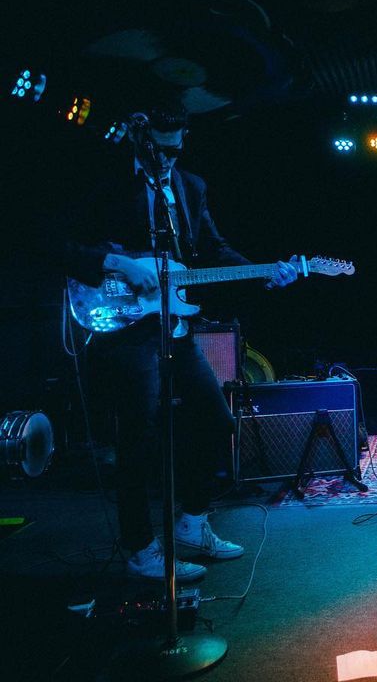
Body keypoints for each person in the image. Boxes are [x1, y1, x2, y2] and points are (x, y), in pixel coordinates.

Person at [64, 101, 298, 582]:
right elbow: (59, 244)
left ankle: (191, 524)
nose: (168, 159)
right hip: (125, 324)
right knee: (139, 436)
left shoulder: (190, 187)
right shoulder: (104, 182)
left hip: (173, 324)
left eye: (175, 150)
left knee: (215, 419)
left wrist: (262, 273)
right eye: (160, 150)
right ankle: (138, 547)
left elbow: (213, 249)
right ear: (139, 139)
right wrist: (119, 264)